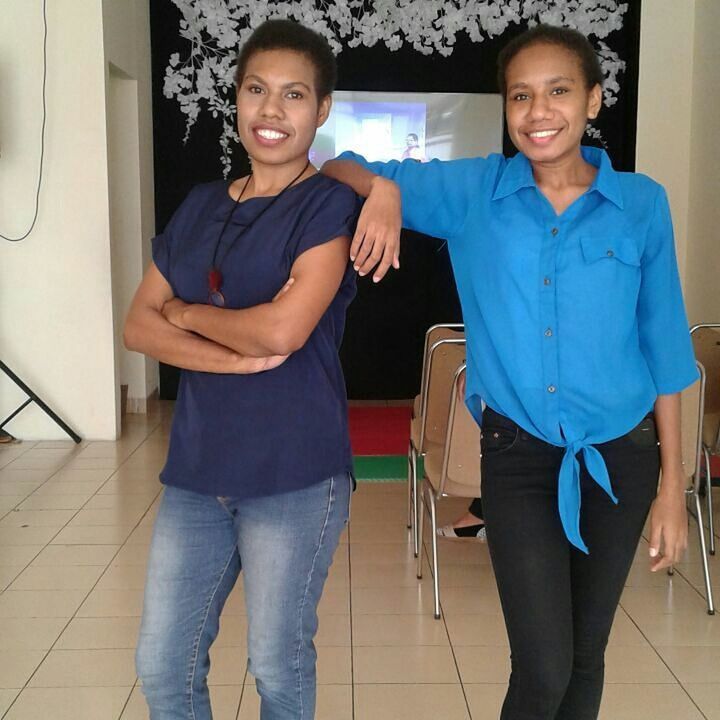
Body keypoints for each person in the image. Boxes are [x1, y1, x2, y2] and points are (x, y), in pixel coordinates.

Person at [322, 24, 696, 720]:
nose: (537, 111)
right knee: (544, 666)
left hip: (624, 455)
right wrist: (381, 190)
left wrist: (674, 488)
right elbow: (334, 166)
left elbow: (666, 351)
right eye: (520, 95)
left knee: (586, 658)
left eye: (558, 91)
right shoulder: (475, 192)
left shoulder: (642, 204)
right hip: (519, 458)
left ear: (594, 99)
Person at [125, 19, 360, 720]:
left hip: (295, 472)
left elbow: (284, 329)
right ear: (236, 97)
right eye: (257, 89)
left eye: (294, 95)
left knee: (277, 665)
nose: (271, 110)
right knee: (163, 665)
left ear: (321, 111)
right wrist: (234, 355)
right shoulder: (200, 205)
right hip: (197, 472)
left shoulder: (330, 204)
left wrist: (188, 315)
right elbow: (138, 324)